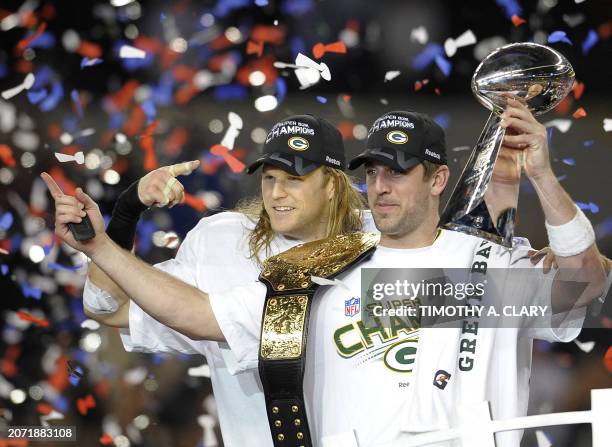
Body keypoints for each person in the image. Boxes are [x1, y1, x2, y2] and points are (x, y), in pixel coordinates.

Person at [42, 105, 608, 447]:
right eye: (376, 172)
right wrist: (106, 234)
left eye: (399, 172)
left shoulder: (470, 271)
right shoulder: (314, 273)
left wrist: (537, 177)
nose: (382, 186)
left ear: (437, 180)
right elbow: (190, 315)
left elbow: (583, 285)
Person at [42, 114, 372, 447]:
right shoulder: (223, 242)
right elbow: (107, 308)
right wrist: (127, 211)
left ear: (332, 184)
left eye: (293, 179)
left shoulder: (383, 243)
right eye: (269, 178)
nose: (277, 193)